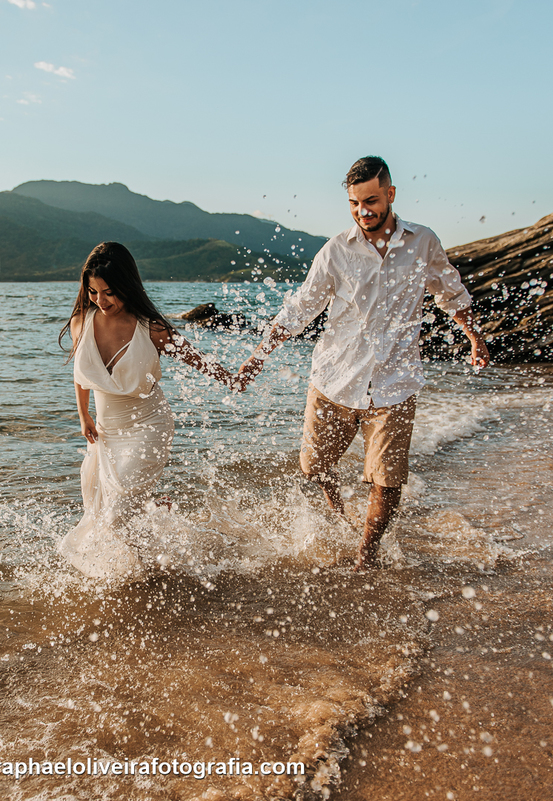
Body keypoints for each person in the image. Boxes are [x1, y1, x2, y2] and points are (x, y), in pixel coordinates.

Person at [237, 156, 489, 570]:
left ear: (390, 194)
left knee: (388, 482)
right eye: (354, 203)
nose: (363, 211)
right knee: (315, 468)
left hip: (396, 383)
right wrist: (257, 355)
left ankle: (365, 556)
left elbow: (450, 291)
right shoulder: (336, 250)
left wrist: (474, 338)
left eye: (371, 201)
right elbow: (302, 308)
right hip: (335, 379)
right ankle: (343, 519)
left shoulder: (422, 242)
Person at [58, 242, 240, 581]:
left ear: (127, 285)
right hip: (106, 431)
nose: (102, 300)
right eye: (94, 292)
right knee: (105, 507)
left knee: (116, 513)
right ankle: (154, 526)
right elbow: (81, 372)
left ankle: (143, 575)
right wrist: (83, 415)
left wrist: (234, 378)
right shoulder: (81, 322)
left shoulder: (151, 328)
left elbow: (196, 359)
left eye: (109, 292)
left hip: (148, 426)